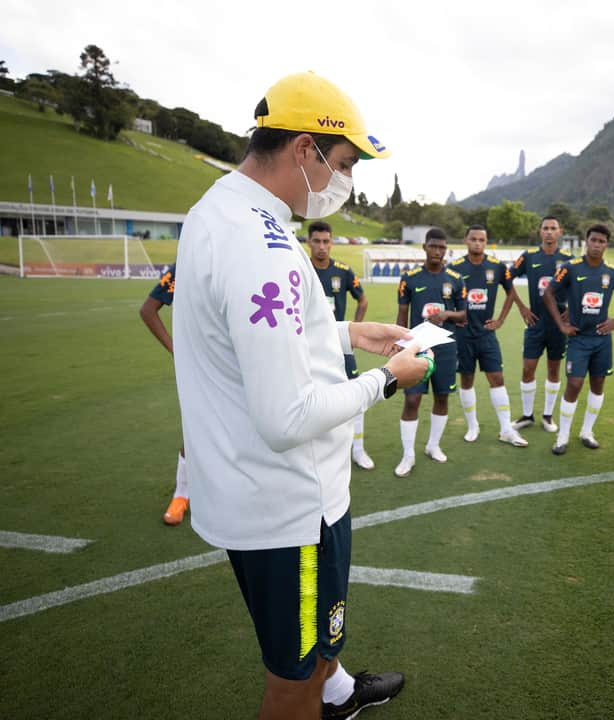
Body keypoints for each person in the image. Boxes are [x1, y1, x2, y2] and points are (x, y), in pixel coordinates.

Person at [172, 71, 429, 720]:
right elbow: (287, 419)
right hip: (290, 507)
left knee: (319, 649)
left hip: (254, 493)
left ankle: (339, 694)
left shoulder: (220, 211)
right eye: (343, 164)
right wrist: (387, 378)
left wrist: (344, 330)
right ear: (305, 150)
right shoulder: (262, 244)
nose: (346, 182)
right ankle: (324, 693)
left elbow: (249, 334)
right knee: (294, 679)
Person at [545, 224, 614, 454]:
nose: (597, 245)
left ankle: (587, 432)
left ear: (606, 244)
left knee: (598, 385)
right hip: (578, 339)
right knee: (574, 384)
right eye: (593, 240)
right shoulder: (570, 268)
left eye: (601, 241)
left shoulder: (613, 272)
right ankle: (562, 437)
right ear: (586, 241)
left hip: (602, 340)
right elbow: (548, 293)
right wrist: (561, 325)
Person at [449, 225, 529, 447]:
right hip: (462, 335)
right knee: (466, 379)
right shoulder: (454, 268)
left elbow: (511, 291)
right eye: (473, 239)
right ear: (466, 240)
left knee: (497, 379)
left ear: (486, 242)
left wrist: (501, 319)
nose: (477, 243)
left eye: (481, 240)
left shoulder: (496, 266)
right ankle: (472, 425)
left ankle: (506, 429)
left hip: (486, 334)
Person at [395, 227, 467, 477]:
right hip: (417, 348)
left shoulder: (456, 279)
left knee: (442, 397)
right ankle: (408, 455)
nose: (437, 251)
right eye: (433, 246)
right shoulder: (410, 278)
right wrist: (399, 342)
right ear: (424, 247)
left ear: (446, 250)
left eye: (442, 247)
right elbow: (402, 314)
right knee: (412, 399)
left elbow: (464, 314)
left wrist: (447, 314)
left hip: (446, 348)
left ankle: (433, 446)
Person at [306, 220, 374, 470]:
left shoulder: (343, 271)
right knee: (311, 399)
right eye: (317, 241)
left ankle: (358, 449)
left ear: (331, 243)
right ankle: (320, 454)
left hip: (339, 346)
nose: (322, 247)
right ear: (308, 242)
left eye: (326, 241)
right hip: (308, 348)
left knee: (355, 395)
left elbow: (363, 300)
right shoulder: (301, 269)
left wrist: (352, 331)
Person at [509, 216, 574, 433]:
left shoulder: (568, 259)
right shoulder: (529, 257)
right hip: (535, 323)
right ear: (540, 232)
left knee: (554, 370)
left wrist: (571, 311)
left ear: (560, 232)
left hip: (558, 326)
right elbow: (506, 279)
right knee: (528, 369)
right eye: (545, 228)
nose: (548, 232)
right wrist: (522, 307)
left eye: (553, 228)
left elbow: (580, 287)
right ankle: (527, 415)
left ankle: (547, 416)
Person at [138, 263, 188, 525]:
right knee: (196, 428)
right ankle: (181, 495)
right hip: (199, 367)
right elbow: (148, 310)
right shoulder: (185, 266)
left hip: (237, 361)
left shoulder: (240, 261)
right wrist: (176, 349)